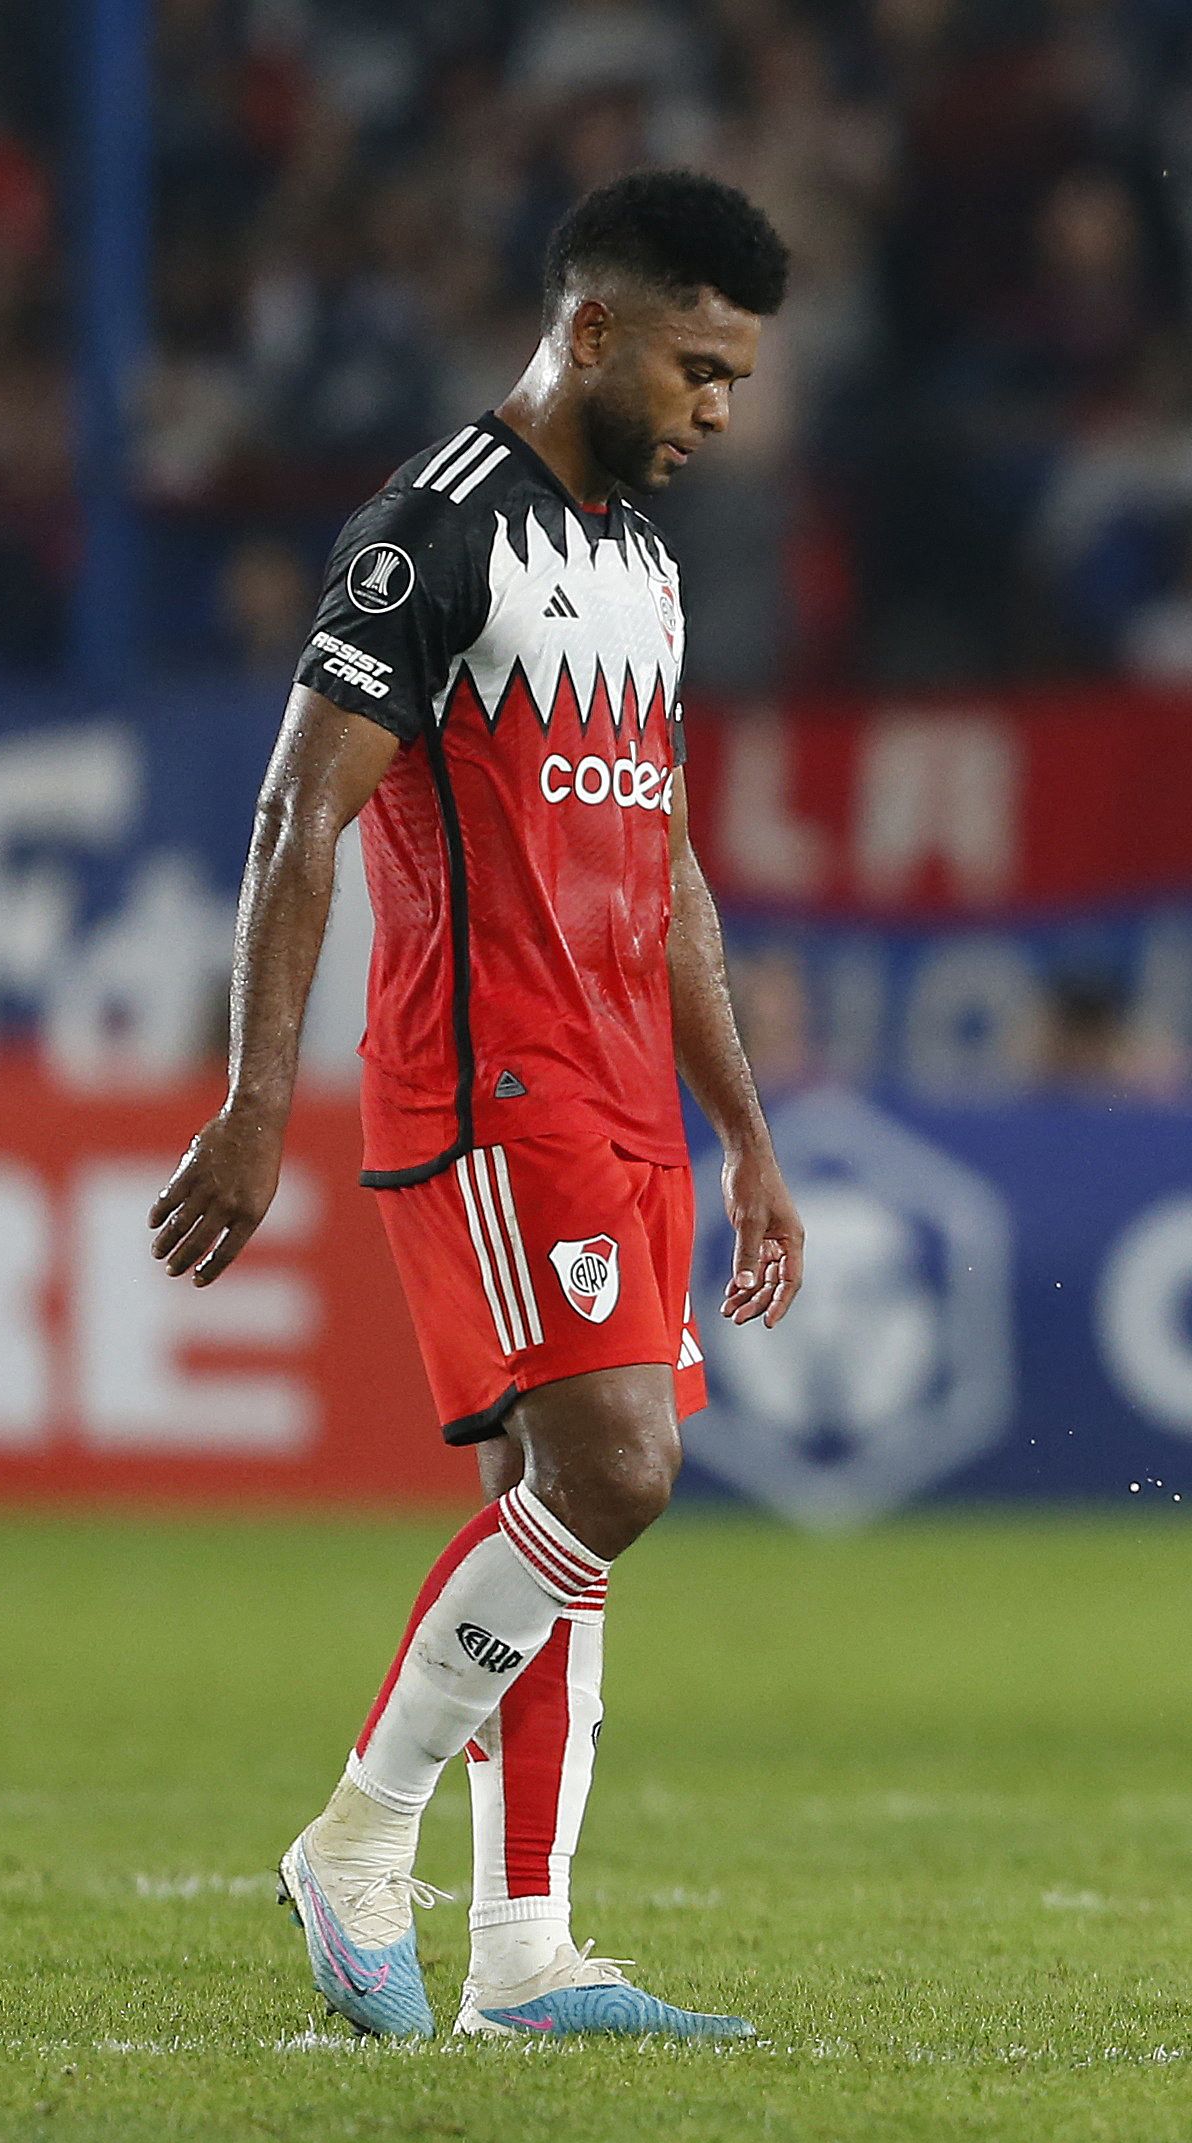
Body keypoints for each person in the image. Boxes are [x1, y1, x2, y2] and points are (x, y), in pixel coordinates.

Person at [149, 171, 805, 2041]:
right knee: (613, 1471)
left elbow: (665, 867)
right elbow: (299, 811)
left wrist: (744, 1133)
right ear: (589, 328)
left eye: (739, 380)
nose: (715, 413)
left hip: (618, 1097)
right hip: (489, 1084)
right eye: (695, 367)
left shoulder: (646, 569)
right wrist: (256, 1097)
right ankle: (358, 1841)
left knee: (558, 1513)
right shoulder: (429, 535)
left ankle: (527, 1953)